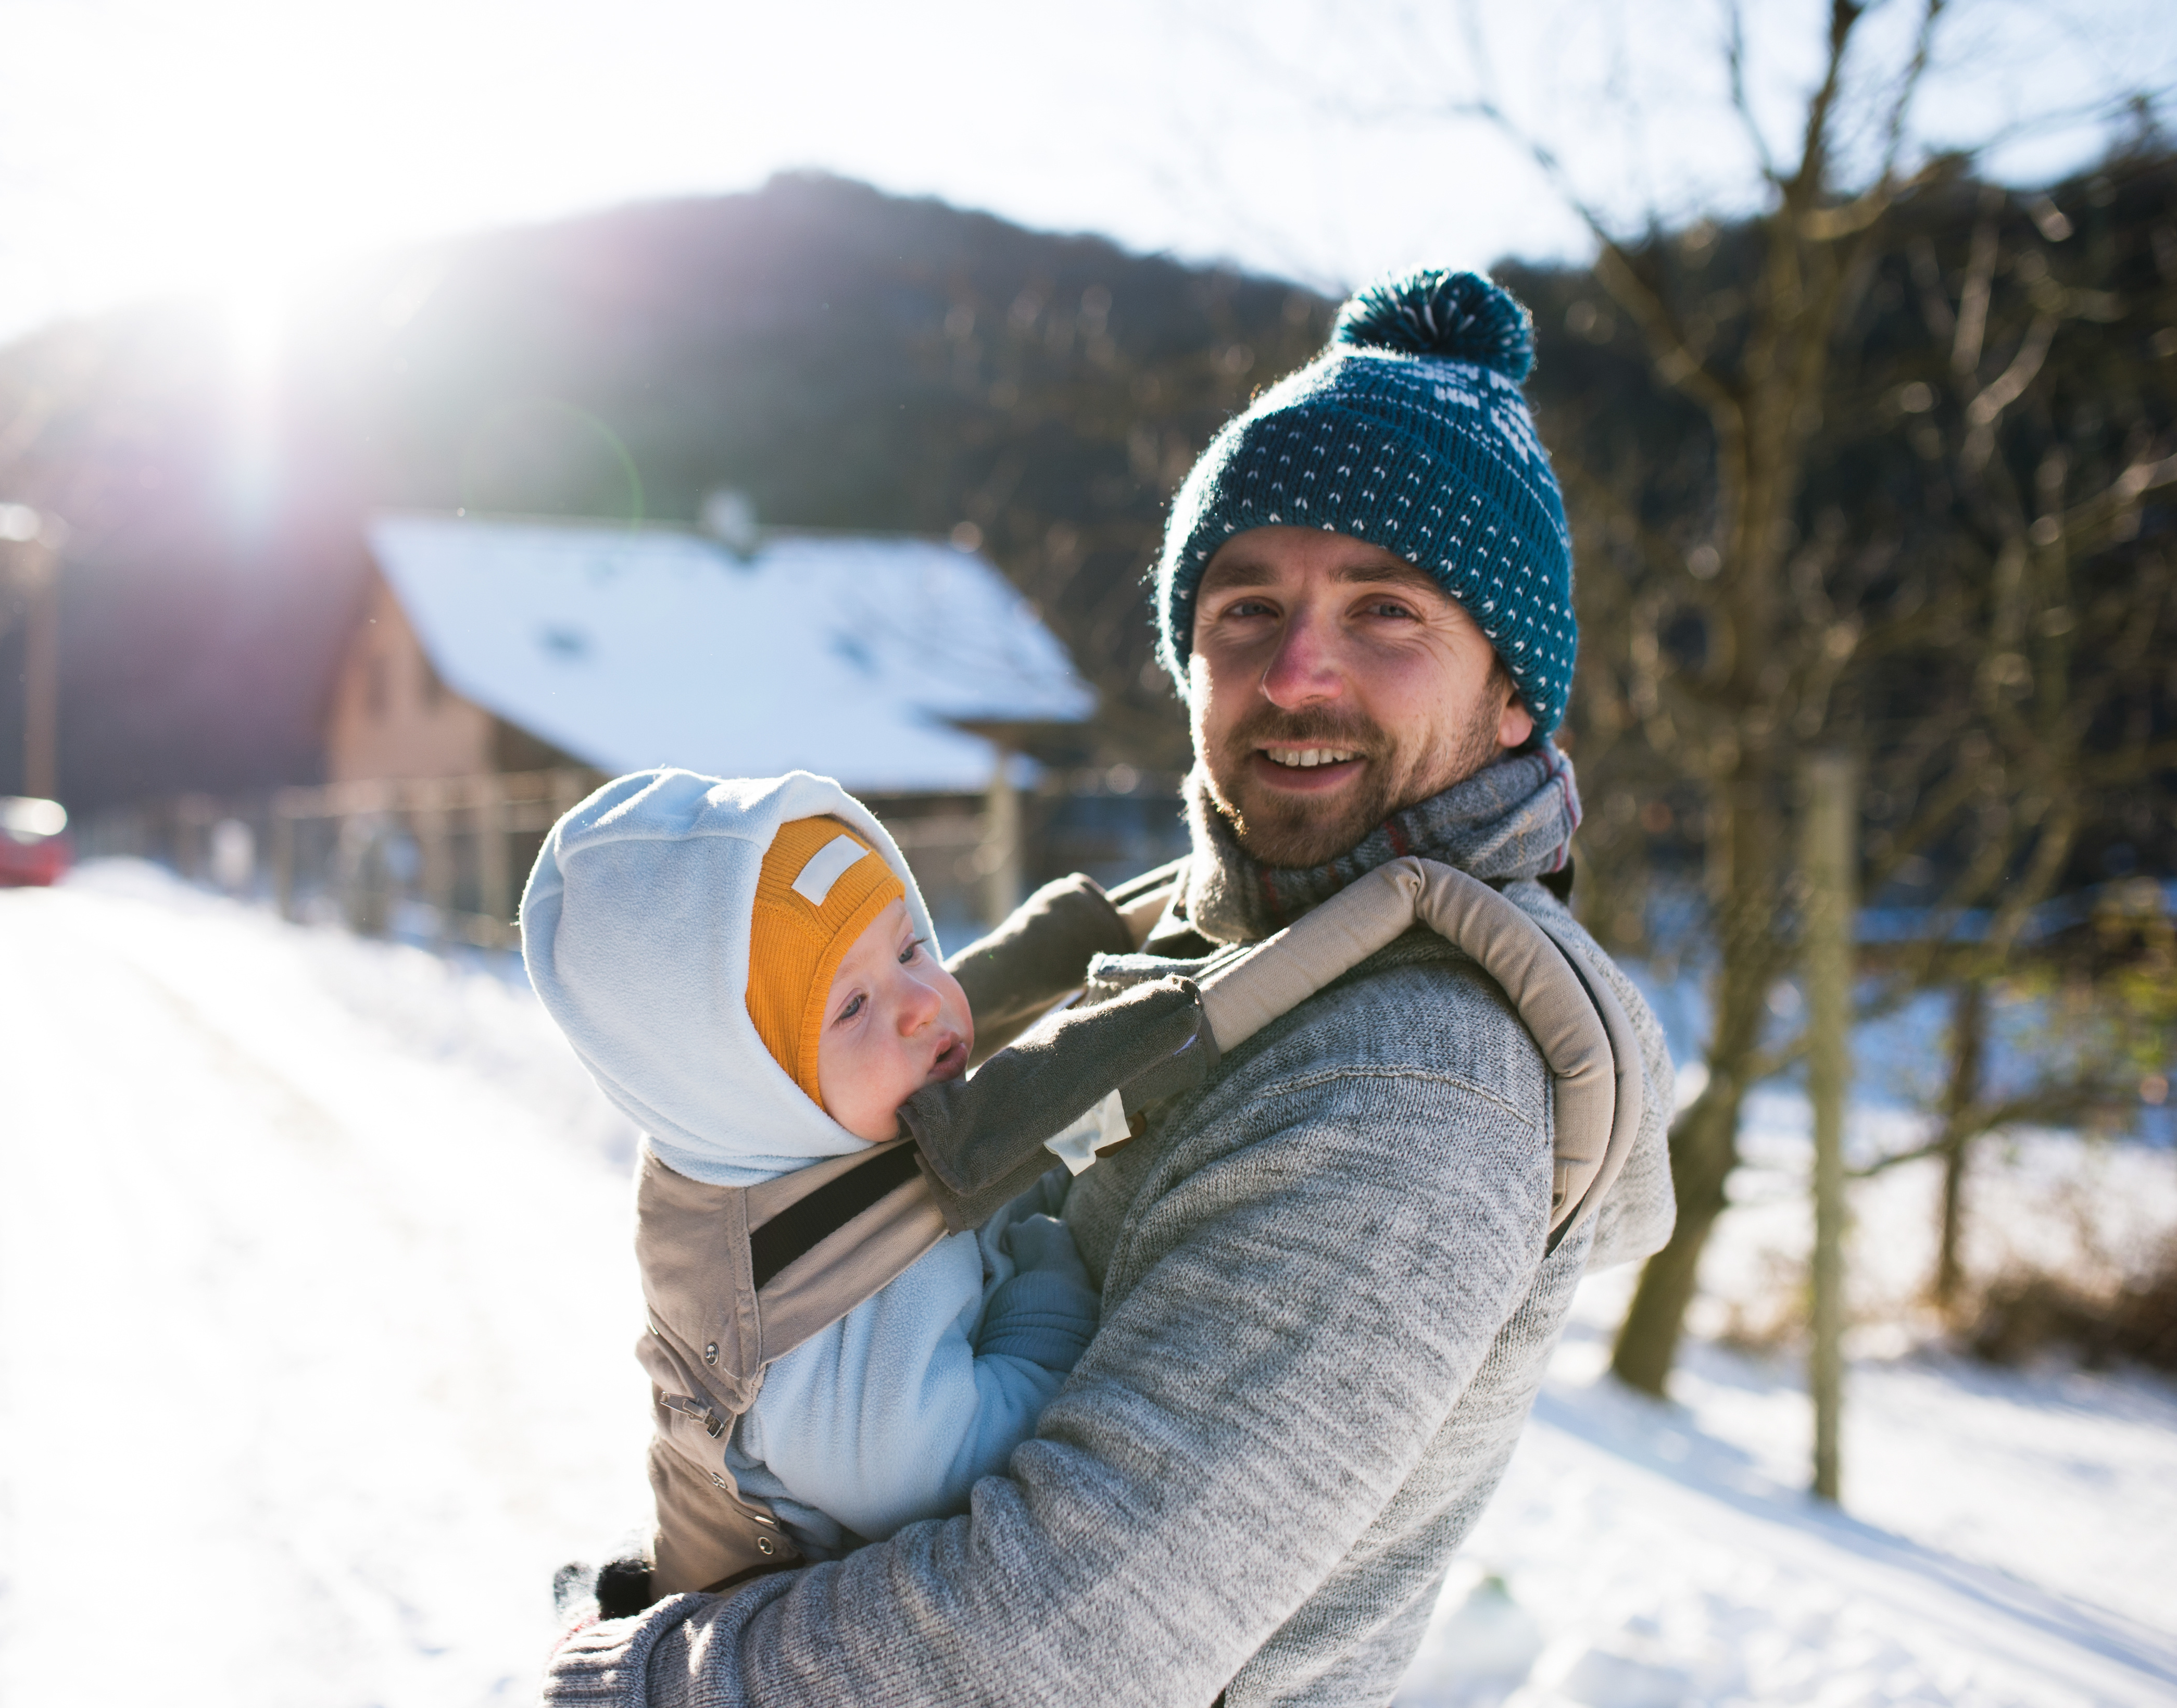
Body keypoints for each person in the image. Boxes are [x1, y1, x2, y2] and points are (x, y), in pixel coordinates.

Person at [543, 266, 1678, 1706]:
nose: (1297, 671)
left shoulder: (1409, 1072)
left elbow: (1045, 1651)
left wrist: (643, 1679)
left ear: (1516, 687)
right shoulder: (1204, 947)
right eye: (1245, 609)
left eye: (1388, 612)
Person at [520, 779, 1198, 1589]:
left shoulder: (807, 1130)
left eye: (911, 949)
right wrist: (1051, 1264)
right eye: (852, 1007)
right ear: (746, 1083)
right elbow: (955, 1468)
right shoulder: (813, 1304)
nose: (922, 1005)